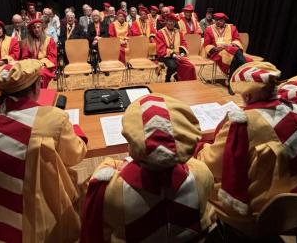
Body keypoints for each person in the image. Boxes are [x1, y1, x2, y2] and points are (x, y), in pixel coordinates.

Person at [0, 59, 88, 243]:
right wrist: (77, 132)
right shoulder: (52, 119)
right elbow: (74, 155)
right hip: (30, 224)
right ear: (37, 86)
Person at [196, 61, 297, 216]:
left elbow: (213, 164)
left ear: (248, 95)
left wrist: (200, 146)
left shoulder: (242, 124)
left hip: (269, 210)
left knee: (197, 171)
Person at [81, 94, 215, 243]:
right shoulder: (202, 173)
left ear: (131, 147)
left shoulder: (111, 189)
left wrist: (118, 165)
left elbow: (101, 229)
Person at [203, 13, 251, 91]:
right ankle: (244, 65)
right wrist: (215, 48)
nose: (218, 22)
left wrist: (229, 44)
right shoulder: (209, 29)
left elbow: (237, 40)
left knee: (234, 59)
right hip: (217, 52)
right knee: (235, 52)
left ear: (224, 21)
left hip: (231, 49)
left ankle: (230, 84)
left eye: (220, 20)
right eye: (216, 20)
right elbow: (206, 44)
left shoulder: (232, 28)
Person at [156, 13, 197, 82]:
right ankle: (168, 78)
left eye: (173, 22)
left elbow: (184, 43)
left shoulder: (179, 32)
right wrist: (173, 55)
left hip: (178, 55)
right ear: (166, 21)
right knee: (173, 66)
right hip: (165, 56)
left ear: (175, 23)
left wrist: (182, 53)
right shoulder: (160, 33)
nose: (171, 23)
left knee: (190, 66)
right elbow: (161, 48)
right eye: (169, 21)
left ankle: (180, 78)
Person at [21, 19, 57, 88]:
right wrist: (32, 65)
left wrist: (40, 64)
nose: (36, 29)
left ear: (42, 28)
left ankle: (42, 94)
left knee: (41, 74)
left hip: (46, 66)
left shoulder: (49, 40)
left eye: (38, 27)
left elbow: (52, 56)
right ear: (31, 30)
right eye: (34, 28)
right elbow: (25, 57)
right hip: (31, 66)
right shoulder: (27, 42)